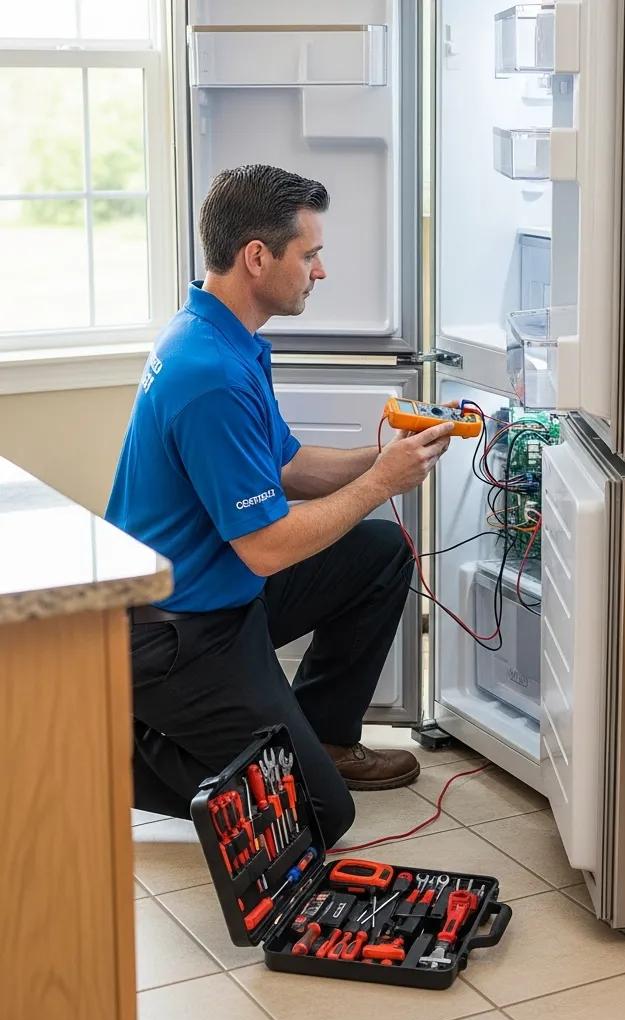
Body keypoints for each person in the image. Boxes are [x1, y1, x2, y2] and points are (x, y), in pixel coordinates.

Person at [106, 164, 454, 844]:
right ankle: (108, 750)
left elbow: (288, 465)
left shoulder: (221, 337)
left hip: (220, 596)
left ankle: (320, 739)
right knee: (320, 816)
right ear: (257, 257)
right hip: (178, 634)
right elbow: (266, 545)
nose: (318, 272)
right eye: (310, 254)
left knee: (379, 551)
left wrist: (386, 459)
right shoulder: (208, 374)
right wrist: (381, 483)